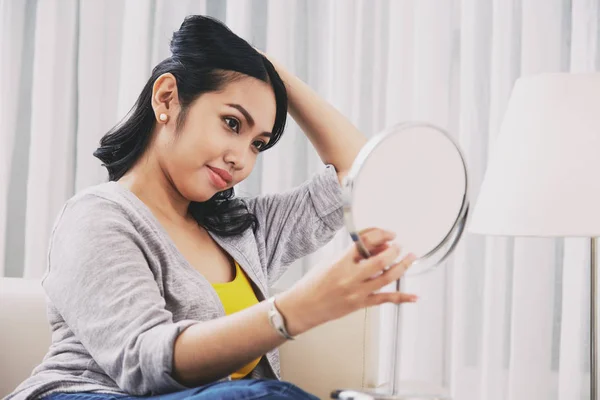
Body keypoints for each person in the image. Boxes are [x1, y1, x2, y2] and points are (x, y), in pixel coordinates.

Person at [7, 15, 417, 400]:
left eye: (258, 143)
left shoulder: (242, 232)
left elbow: (358, 176)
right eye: (232, 123)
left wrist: (272, 72)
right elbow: (144, 365)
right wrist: (294, 310)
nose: (242, 158)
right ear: (167, 97)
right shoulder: (97, 216)